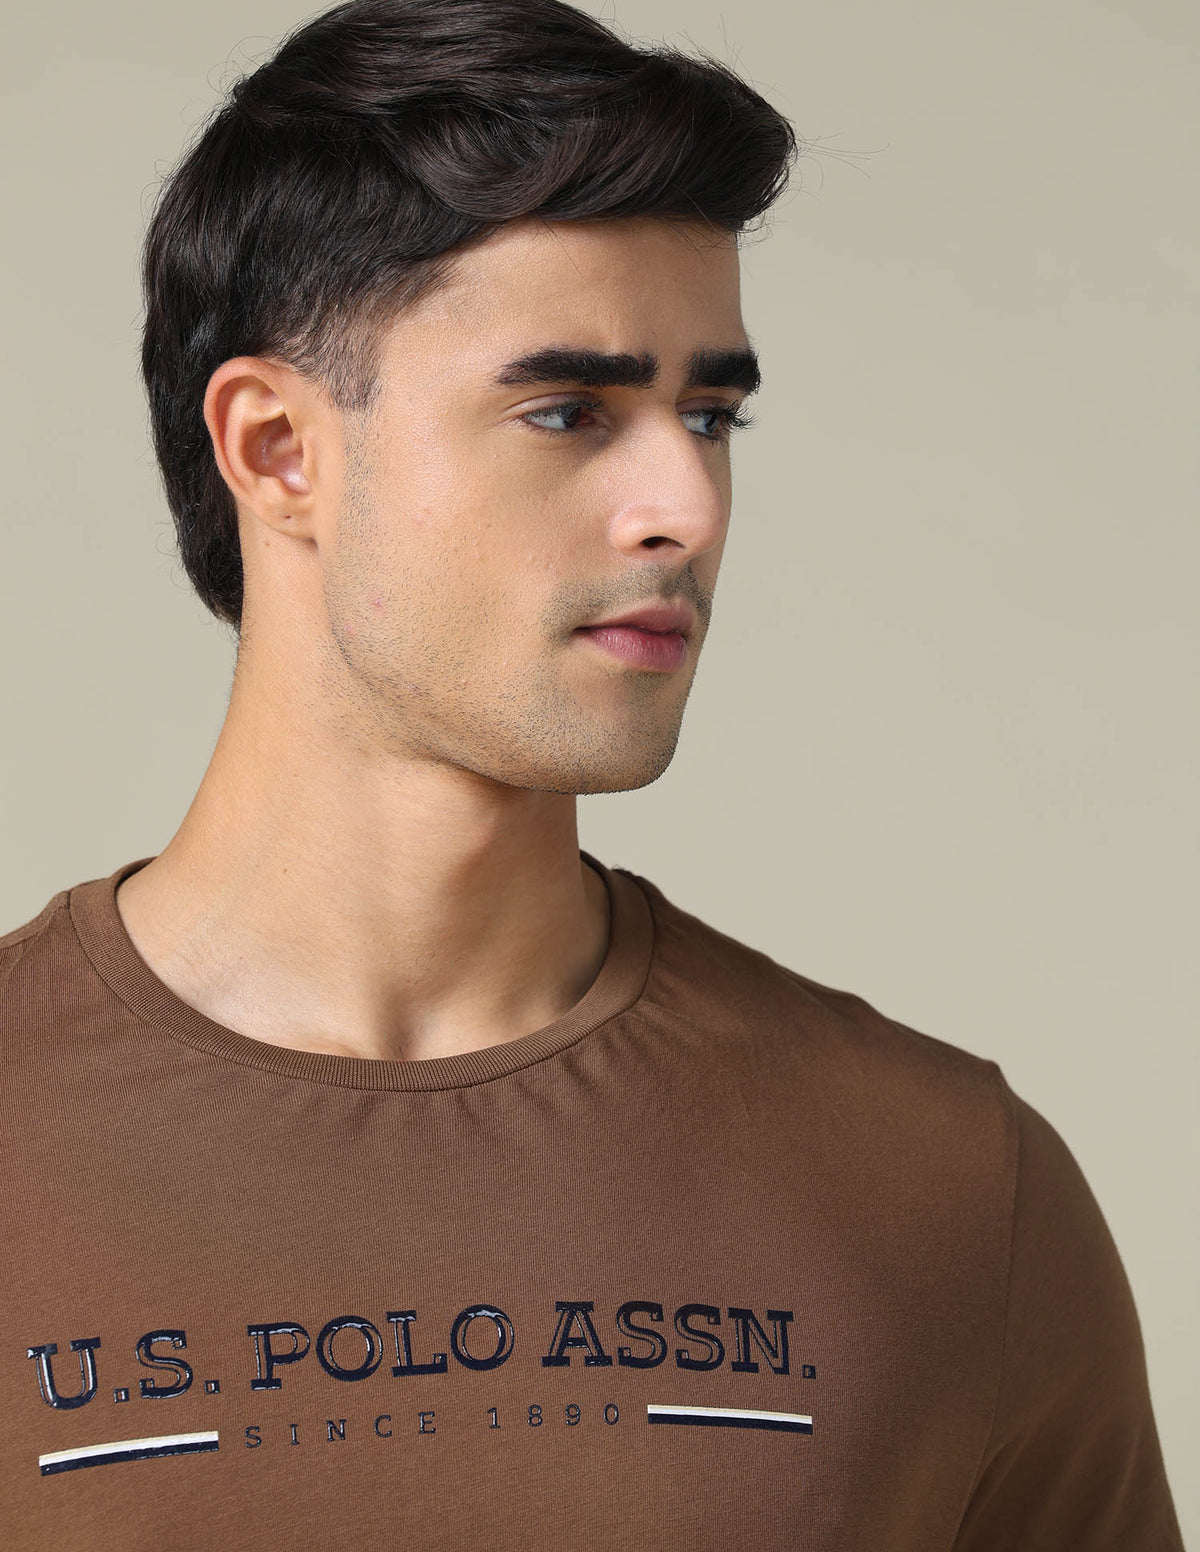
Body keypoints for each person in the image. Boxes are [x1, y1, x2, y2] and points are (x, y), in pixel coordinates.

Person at [0, 0, 1183, 1546]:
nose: (685, 503)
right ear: (278, 449)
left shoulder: (946, 1187)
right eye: (568, 411)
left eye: (712, 414)